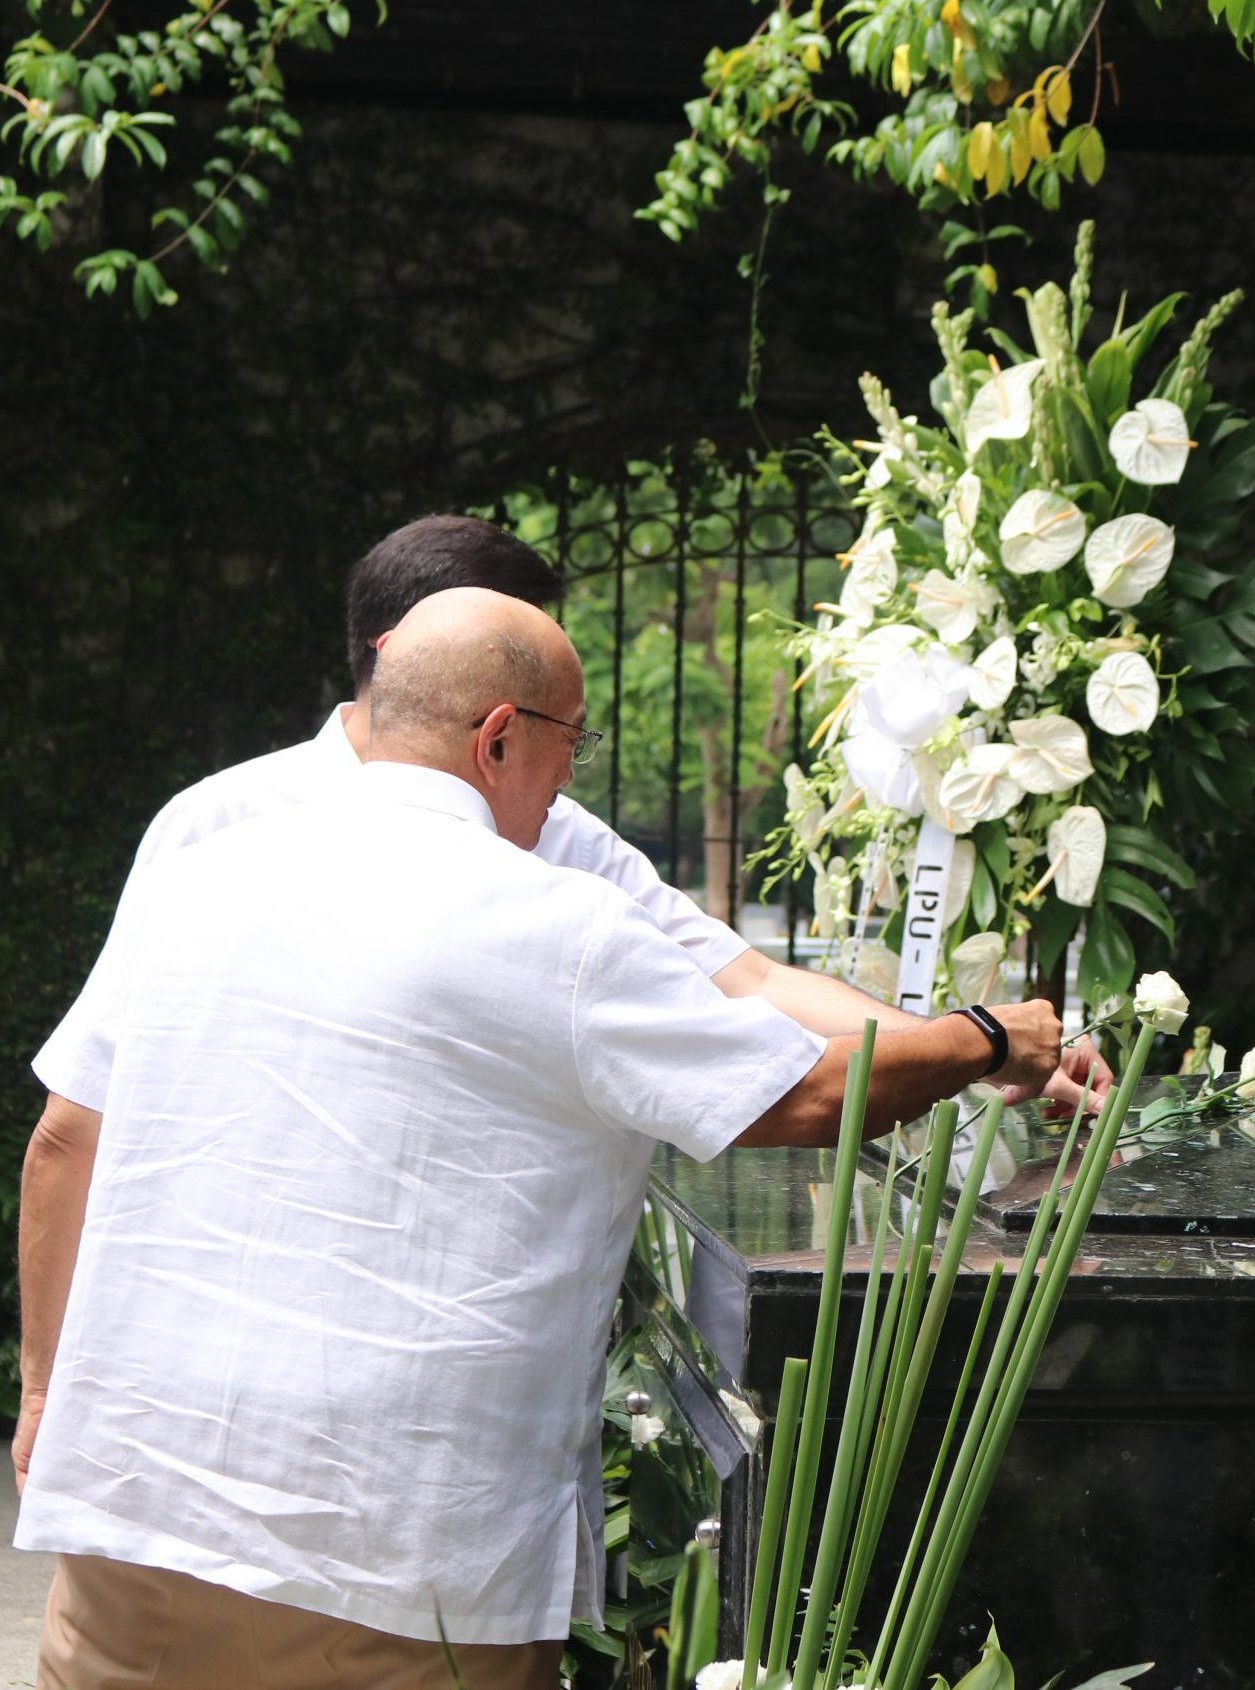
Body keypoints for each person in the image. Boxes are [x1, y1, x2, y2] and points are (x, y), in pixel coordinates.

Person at [15, 589, 1064, 1689]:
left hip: (137, 1504)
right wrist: (989, 1038)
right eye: (573, 739)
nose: (573, 774)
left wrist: (45, 1395)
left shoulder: (202, 868)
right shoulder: (556, 919)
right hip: (386, 1547)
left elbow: (63, 1139)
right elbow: (807, 1097)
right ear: (499, 736)